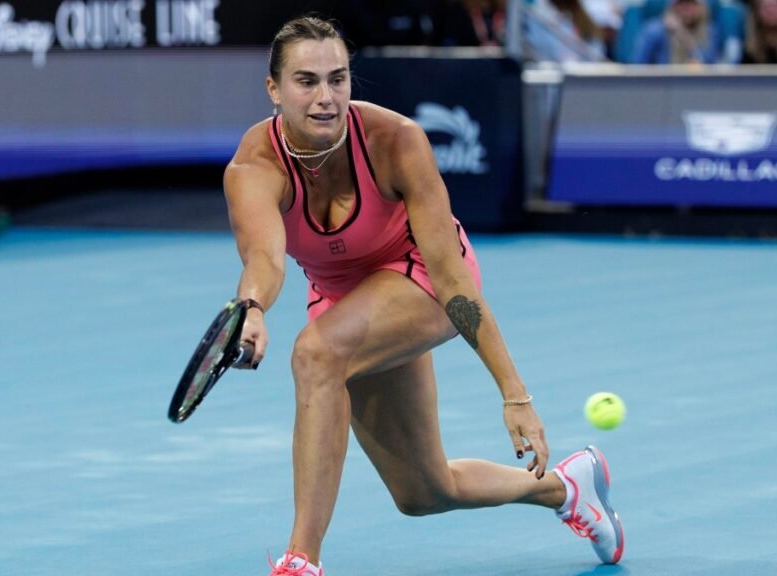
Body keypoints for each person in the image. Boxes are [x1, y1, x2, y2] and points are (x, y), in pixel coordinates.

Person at [222, 15, 624, 575]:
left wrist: (514, 394)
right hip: (344, 301)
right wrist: (252, 308)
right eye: (306, 82)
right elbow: (265, 258)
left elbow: (453, 278)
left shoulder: (396, 140)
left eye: (338, 79)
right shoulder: (253, 166)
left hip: (424, 278)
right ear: (274, 89)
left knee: (316, 353)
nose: (325, 97)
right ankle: (565, 489)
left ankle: (300, 561)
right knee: (423, 491)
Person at [631, 0, 722, 64]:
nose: (686, 8)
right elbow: (637, 66)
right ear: (672, 6)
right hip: (663, 84)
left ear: (701, 7)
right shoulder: (654, 31)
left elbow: (711, 67)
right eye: (681, 3)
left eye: (691, 3)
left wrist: (682, 33)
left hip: (698, 84)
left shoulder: (710, 31)